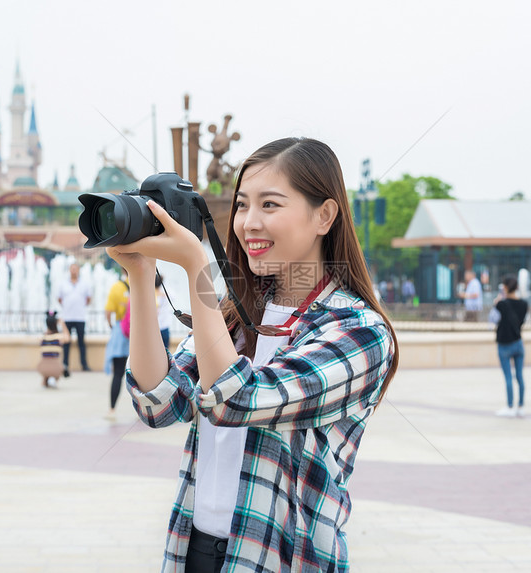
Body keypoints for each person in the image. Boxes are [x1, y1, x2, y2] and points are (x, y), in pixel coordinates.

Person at [106, 137, 398, 572]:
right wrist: (140, 273)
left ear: (325, 215)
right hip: (196, 549)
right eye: (242, 205)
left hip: (283, 557)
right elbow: (159, 403)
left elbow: (238, 399)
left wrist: (196, 266)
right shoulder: (235, 315)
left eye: (270, 205)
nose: (248, 223)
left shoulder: (359, 331)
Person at [493, 275, 528, 418]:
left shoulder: (503, 304)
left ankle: (509, 406)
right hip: (518, 343)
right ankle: (520, 406)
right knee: (519, 376)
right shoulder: (524, 304)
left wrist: (502, 294)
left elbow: (496, 303)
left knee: (508, 377)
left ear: (505, 287)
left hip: (504, 344)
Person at [104, 271, 130, 418]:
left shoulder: (117, 287)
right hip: (139, 335)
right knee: (140, 376)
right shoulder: (144, 284)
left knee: (118, 374)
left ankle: (112, 409)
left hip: (121, 335)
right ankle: (144, 410)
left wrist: (112, 326)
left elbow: (108, 312)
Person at [58, 263, 92, 375]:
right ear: (69, 270)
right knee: (66, 342)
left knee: (81, 342)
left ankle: (84, 364)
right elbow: (59, 299)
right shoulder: (63, 284)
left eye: (75, 269)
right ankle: (65, 365)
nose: (74, 271)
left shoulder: (85, 284)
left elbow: (88, 299)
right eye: (72, 269)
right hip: (67, 317)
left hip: (80, 317)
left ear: (78, 270)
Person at [38, 312, 69, 388]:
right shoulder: (59, 337)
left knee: (47, 365)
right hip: (56, 368)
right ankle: (54, 379)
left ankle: (45, 381)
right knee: (61, 366)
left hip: (42, 367)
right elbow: (68, 337)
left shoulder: (43, 338)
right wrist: (63, 324)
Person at [154, 274, 172, 349]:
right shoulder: (165, 293)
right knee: (166, 351)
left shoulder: (151, 294)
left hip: (155, 327)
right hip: (164, 326)